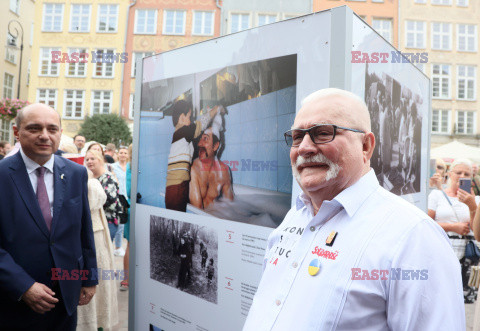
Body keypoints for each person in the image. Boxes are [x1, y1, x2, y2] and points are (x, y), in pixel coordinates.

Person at [243, 88, 464, 330]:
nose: (304, 148)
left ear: (366, 146)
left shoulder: (413, 237)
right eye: (297, 137)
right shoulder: (296, 215)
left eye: (323, 133)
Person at [0, 103, 97, 329]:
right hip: (13, 300)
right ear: (17, 132)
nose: (45, 136)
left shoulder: (76, 173)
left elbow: (84, 229)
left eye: (52, 129)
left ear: (60, 133)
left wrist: (89, 278)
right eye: (34, 128)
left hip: (65, 298)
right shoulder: (2, 175)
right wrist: (23, 286)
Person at [428, 158, 479, 303]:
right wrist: (453, 227)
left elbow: (477, 231)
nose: (462, 176)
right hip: (442, 250)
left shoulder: (477, 201)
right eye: (458, 172)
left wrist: (472, 205)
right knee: (440, 296)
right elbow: (427, 223)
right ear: (450, 174)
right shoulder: (437, 195)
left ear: (471, 178)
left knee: (461, 299)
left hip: (467, 255)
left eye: (467, 174)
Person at [76, 170, 118, 330]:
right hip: (95, 235)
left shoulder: (92, 183)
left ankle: (95, 322)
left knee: (97, 279)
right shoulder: (90, 181)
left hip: (96, 235)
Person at [165, 99, 224, 212]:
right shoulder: (182, 132)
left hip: (174, 187)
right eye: (189, 117)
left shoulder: (180, 135)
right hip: (177, 187)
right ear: (182, 117)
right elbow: (201, 124)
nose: (191, 120)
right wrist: (216, 109)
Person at [189, 127, 234, 209]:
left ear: (215, 146)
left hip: (215, 215)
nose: (199, 144)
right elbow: (196, 211)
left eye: (205, 139)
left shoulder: (224, 170)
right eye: (200, 139)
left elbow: (231, 205)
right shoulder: (193, 170)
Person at [85, 149, 123, 243]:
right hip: (94, 222)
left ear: (100, 160)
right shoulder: (89, 177)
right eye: (87, 159)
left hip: (107, 222)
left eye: (92, 159)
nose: (89, 161)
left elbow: (111, 201)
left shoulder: (107, 178)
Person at [111, 146, 129, 257]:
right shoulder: (112, 167)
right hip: (117, 198)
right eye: (121, 152)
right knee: (119, 224)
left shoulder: (130, 167)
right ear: (118, 154)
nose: (123, 154)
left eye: (125, 153)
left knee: (124, 224)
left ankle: (118, 247)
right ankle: (117, 247)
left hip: (128, 199)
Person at [120, 144, 133, 291]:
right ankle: (126, 278)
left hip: (132, 206)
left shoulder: (130, 165)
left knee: (130, 245)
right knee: (130, 245)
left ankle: (126, 279)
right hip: (135, 208)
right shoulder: (132, 165)